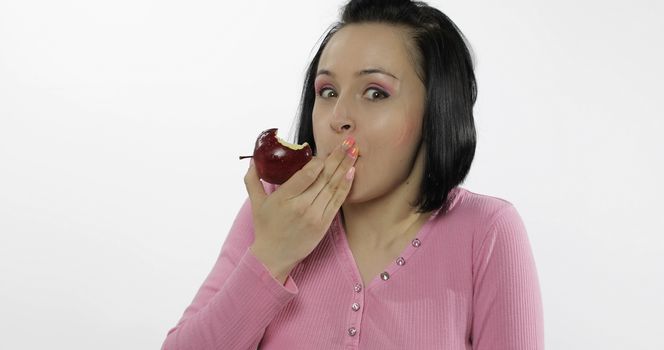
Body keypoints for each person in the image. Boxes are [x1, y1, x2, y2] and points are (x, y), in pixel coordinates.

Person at [160, 0, 544, 349]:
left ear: (436, 112)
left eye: (376, 92)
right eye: (327, 92)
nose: (338, 118)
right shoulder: (274, 211)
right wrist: (273, 255)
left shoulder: (488, 231)